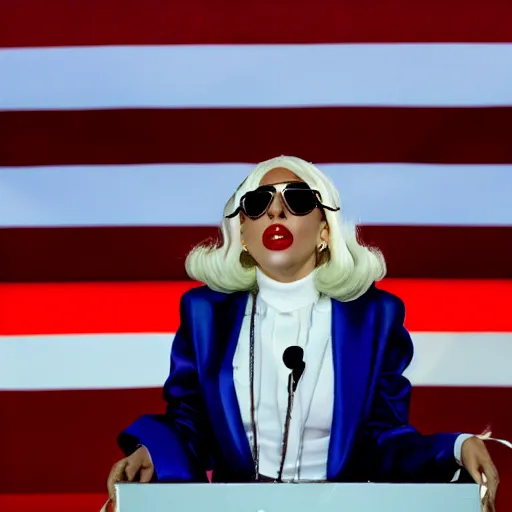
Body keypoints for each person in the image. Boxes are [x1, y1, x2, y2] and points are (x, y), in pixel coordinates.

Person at [106, 156, 500, 510]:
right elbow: (191, 425)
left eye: (296, 200)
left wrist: (453, 447)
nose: (276, 212)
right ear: (242, 233)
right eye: (258, 204)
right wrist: (152, 451)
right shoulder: (205, 314)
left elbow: (384, 439)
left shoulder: (374, 317)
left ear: (325, 228)